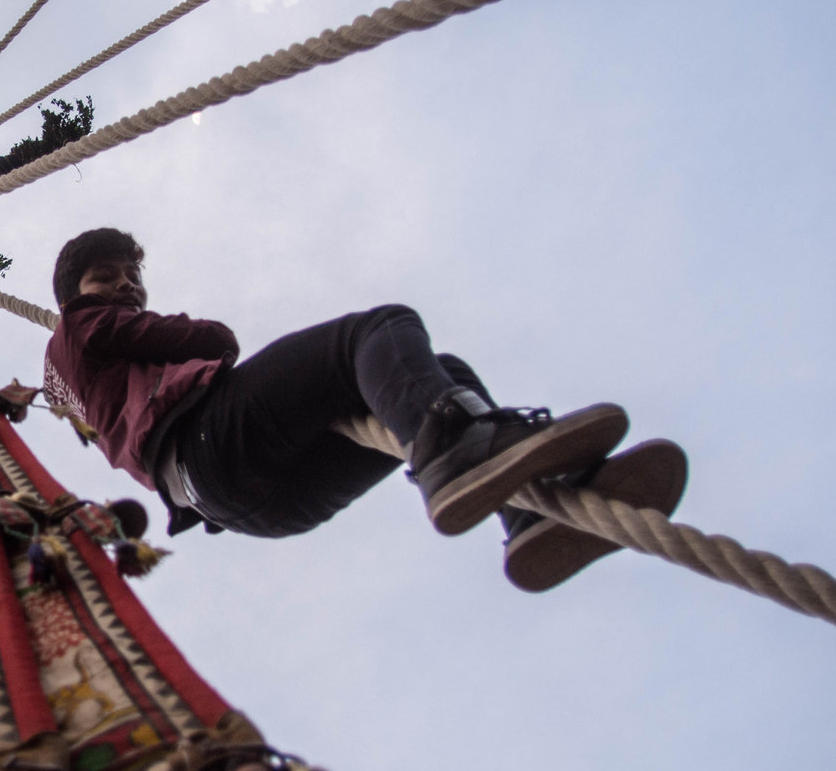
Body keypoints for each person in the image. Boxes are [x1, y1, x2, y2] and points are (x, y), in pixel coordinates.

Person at [40, 228, 687, 591]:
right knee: (376, 331)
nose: (126, 284)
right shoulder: (77, 330)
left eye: (131, 273)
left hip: (254, 503)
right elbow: (215, 341)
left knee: (442, 378)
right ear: (76, 294)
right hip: (209, 441)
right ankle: (458, 447)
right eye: (106, 275)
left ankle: (525, 510)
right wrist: (204, 337)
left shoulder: (91, 369)